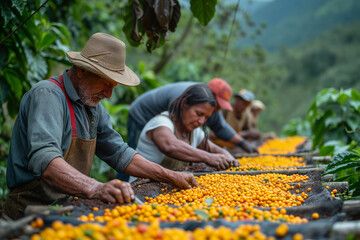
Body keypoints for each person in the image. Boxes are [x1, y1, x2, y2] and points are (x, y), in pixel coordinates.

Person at [1, 33, 197, 220]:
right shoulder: (48, 96)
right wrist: (96, 187)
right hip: (30, 211)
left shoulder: (93, 106)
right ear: (82, 70)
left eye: (114, 86)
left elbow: (119, 153)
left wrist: (169, 176)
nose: (109, 94)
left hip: (68, 206)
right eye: (105, 84)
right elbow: (45, 159)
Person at [127, 79, 258, 152]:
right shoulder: (186, 96)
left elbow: (220, 127)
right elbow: (172, 143)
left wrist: (243, 143)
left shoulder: (208, 106)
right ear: (209, 93)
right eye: (217, 104)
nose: (216, 110)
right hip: (142, 115)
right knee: (134, 156)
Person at [134, 84, 239, 174]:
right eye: (199, 114)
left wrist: (232, 162)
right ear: (184, 104)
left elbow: (216, 150)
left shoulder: (195, 132)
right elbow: (170, 146)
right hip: (141, 191)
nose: (201, 121)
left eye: (206, 117)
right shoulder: (161, 123)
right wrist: (209, 157)